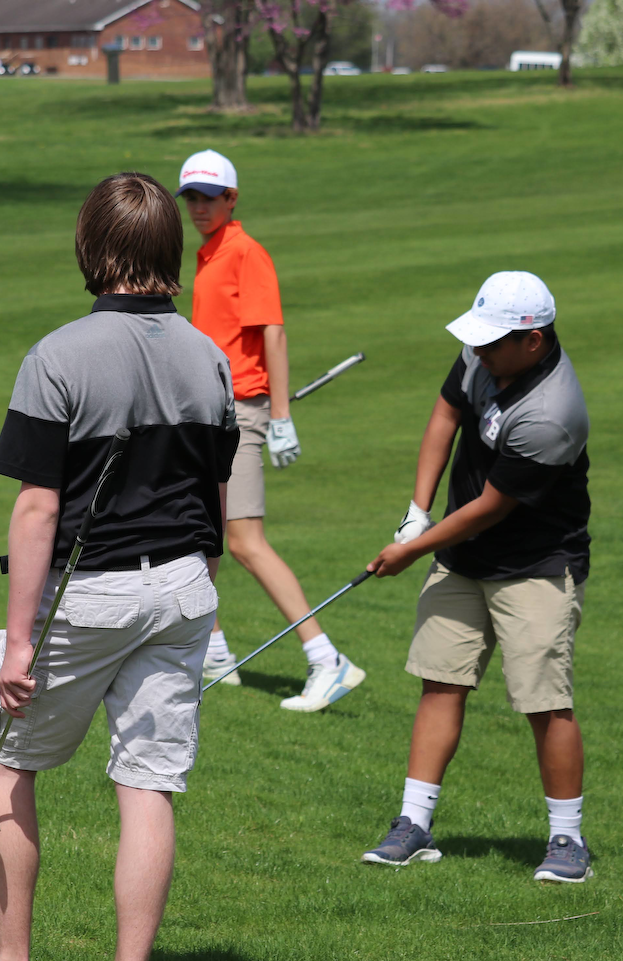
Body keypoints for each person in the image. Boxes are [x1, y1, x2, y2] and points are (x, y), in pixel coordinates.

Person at [0, 173, 240, 961]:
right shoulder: (208, 356)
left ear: (94, 249)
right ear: (169, 250)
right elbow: (214, 502)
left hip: (89, 593)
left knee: (5, 766)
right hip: (182, 588)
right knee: (148, 785)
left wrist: (19, 642)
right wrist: (201, 589)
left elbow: (37, 508)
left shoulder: (58, 355)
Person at [360, 271, 594, 883]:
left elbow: (491, 507)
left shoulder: (552, 414)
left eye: (492, 342)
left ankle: (567, 840)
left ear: (533, 340)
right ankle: (413, 826)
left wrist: (413, 551)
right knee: (441, 681)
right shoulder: (481, 352)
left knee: (544, 702)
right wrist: (416, 512)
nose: (478, 350)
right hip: (461, 554)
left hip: (535, 566)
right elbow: (445, 414)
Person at [176, 148, 365, 712]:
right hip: (210, 415)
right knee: (195, 535)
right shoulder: (209, 254)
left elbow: (273, 334)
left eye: (209, 197)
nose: (199, 207)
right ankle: (212, 652)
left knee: (244, 541)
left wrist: (280, 417)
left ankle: (326, 659)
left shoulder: (245, 252)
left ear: (231, 198)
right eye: (191, 197)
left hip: (241, 413)